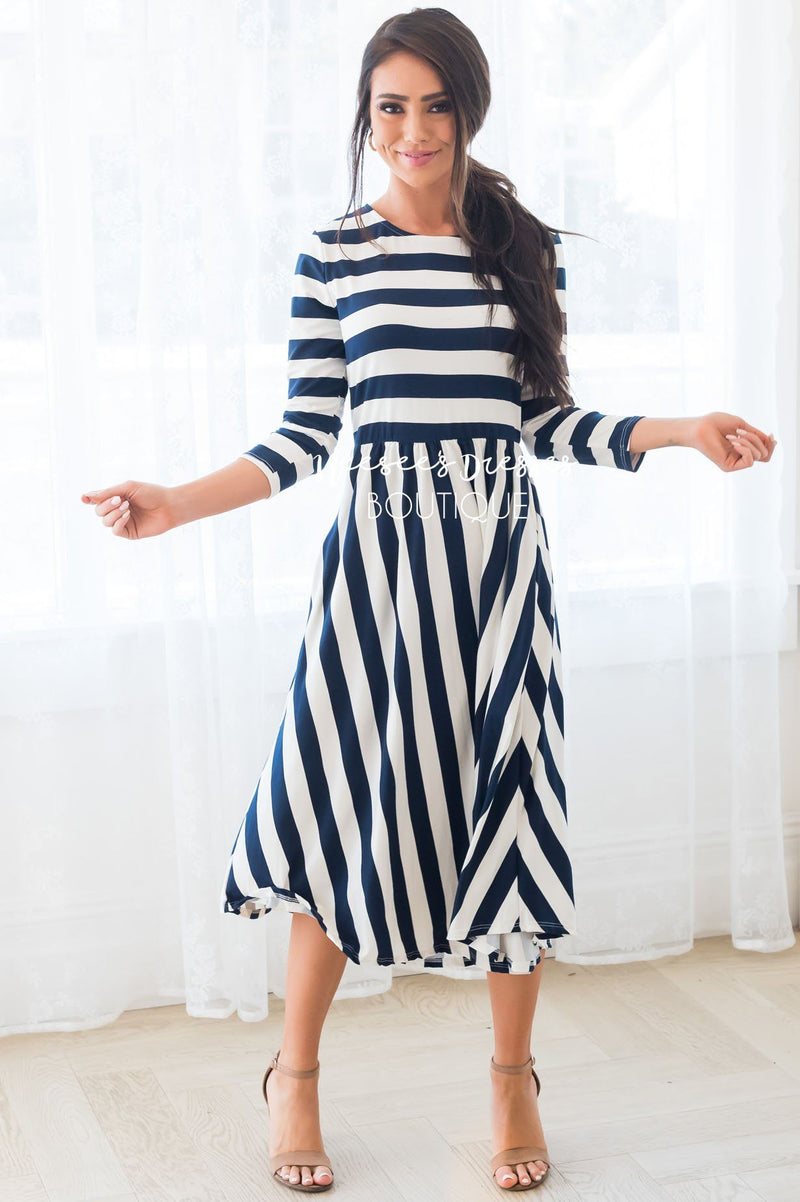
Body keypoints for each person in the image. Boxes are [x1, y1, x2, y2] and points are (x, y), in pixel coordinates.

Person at [81, 8, 776, 1195]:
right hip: (376, 583)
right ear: (366, 116)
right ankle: (295, 1074)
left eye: (435, 104)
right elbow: (305, 434)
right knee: (339, 803)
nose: (413, 128)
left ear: (468, 110)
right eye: (390, 106)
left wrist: (679, 429)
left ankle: (511, 1079)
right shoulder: (332, 255)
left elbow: (542, 419)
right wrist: (174, 503)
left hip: (498, 579)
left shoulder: (520, 248)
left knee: (510, 809)